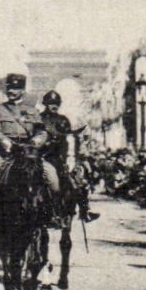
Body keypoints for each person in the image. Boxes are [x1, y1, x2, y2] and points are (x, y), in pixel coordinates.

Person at [0, 73, 59, 225]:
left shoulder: (33, 111)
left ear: (22, 90)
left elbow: (41, 131)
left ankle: (53, 213)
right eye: (10, 88)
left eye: (16, 88)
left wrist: (35, 142)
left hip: (29, 153)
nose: (11, 91)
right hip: (4, 154)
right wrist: (6, 143)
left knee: (53, 178)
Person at [41, 90, 98, 223]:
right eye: (51, 103)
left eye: (56, 103)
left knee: (78, 181)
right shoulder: (38, 119)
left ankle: (85, 210)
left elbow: (68, 138)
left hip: (59, 158)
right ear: (45, 104)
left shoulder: (63, 120)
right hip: (43, 157)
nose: (54, 106)